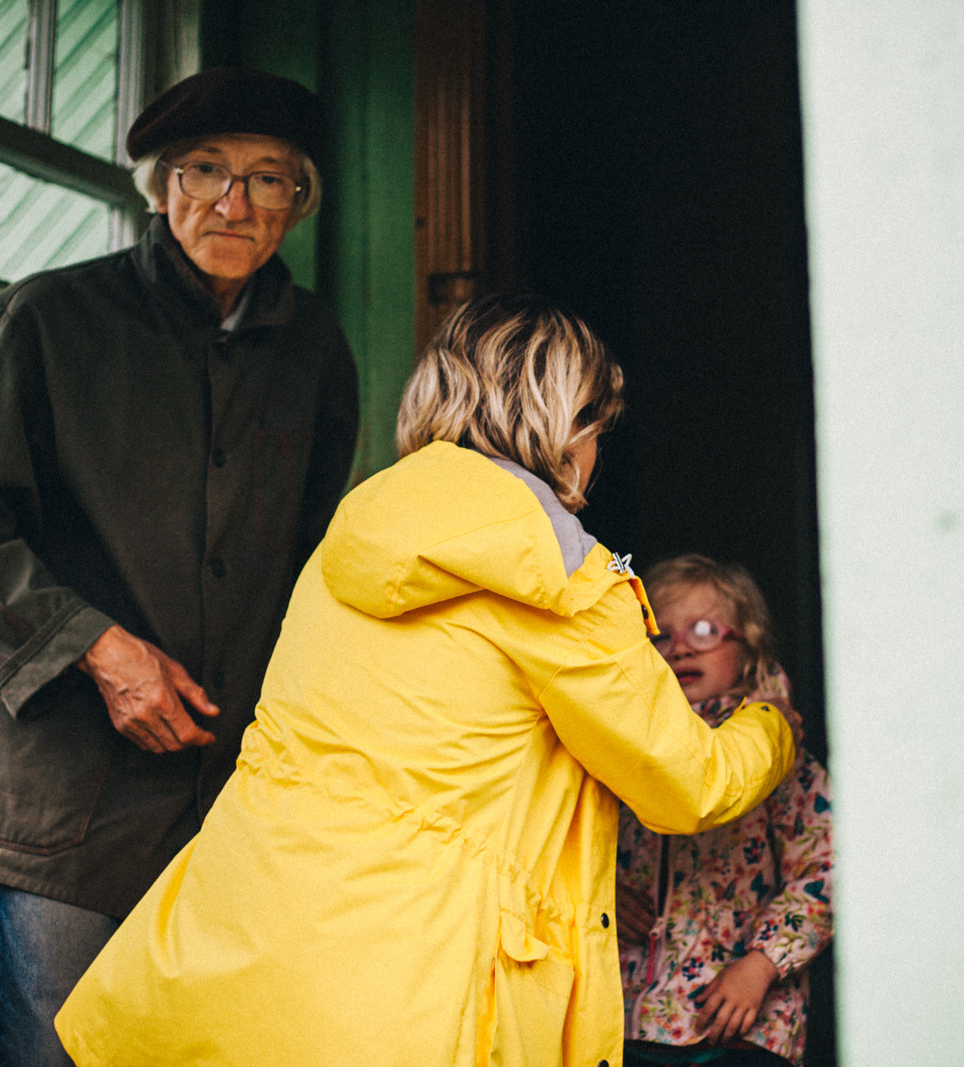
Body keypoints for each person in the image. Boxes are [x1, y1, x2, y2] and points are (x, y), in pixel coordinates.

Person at [52, 293, 796, 1066]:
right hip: (414, 996)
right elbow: (688, 784)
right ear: (568, 432)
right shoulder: (567, 577)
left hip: (238, 949)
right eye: (596, 429)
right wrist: (769, 721)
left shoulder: (358, 529)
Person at [0, 67, 359, 1067]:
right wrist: (102, 651)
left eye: (268, 179)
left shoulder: (316, 350)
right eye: (205, 171)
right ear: (159, 188)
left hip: (237, 806)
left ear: (298, 204)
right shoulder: (48, 322)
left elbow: (320, 564)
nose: (233, 203)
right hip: (68, 811)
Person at [617, 555, 834, 1067]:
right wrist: (602, 890)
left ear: (748, 648)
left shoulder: (781, 755)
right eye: (659, 634)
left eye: (703, 630)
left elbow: (828, 870)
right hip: (630, 1020)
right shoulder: (619, 750)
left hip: (747, 1027)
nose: (681, 646)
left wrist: (761, 965)